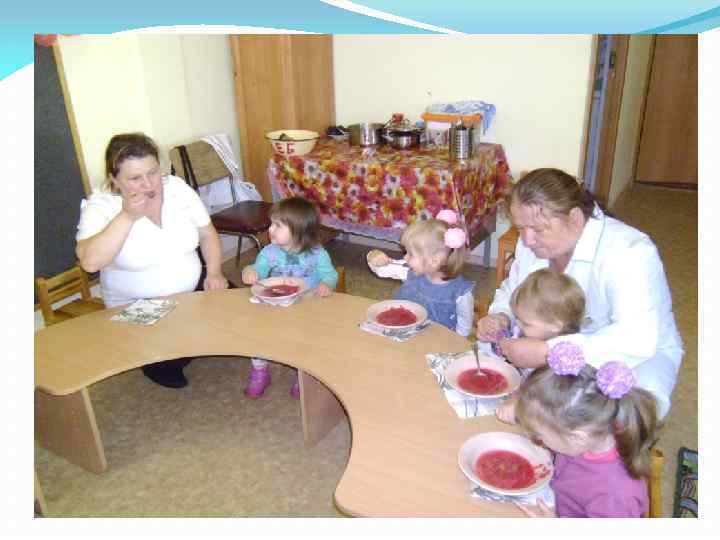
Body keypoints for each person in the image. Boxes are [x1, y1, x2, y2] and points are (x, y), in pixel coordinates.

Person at [476, 168, 683, 419]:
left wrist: (549, 352)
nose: (527, 240)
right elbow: (514, 289)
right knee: (491, 379)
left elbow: (636, 338)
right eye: (520, 228)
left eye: (539, 229)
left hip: (633, 357)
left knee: (599, 422)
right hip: (553, 337)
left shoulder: (631, 252)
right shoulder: (530, 241)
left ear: (575, 218)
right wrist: (501, 315)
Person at [76, 132, 228, 388]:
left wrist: (214, 272)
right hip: (138, 306)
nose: (148, 184)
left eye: (153, 172)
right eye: (135, 178)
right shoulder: (101, 206)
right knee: (170, 370)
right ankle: (158, 349)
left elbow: (207, 233)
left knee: (243, 315)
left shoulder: (177, 188)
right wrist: (126, 216)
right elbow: (90, 263)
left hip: (190, 292)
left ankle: (190, 332)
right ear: (115, 180)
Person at [514, 343, 659, 517]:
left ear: (577, 437)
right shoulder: (589, 434)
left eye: (539, 435)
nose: (535, 438)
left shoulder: (616, 497)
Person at [241, 197, 339, 398]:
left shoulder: (317, 254)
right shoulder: (269, 252)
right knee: (258, 334)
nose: (270, 229)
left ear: (299, 230)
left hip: (306, 307)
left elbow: (330, 275)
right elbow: (258, 268)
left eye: (278, 225)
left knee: (303, 341)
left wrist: (327, 284)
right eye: (271, 223)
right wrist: (250, 271)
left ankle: (302, 374)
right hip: (275, 305)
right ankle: (260, 371)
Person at [488, 268, 586, 424]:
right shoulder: (532, 333)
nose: (518, 325)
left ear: (555, 326)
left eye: (525, 323)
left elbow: (548, 400)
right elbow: (508, 348)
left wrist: (520, 401)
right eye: (517, 318)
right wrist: (499, 342)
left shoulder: (564, 364)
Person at [366, 209, 475, 337]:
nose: (405, 257)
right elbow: (381, 270)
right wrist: (373, 257)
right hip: (404, 331)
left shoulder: (460, 293)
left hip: (436, 339)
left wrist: (456, 341)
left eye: (410, 254)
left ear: (434, 261)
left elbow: (464, 328)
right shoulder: (409, 270)